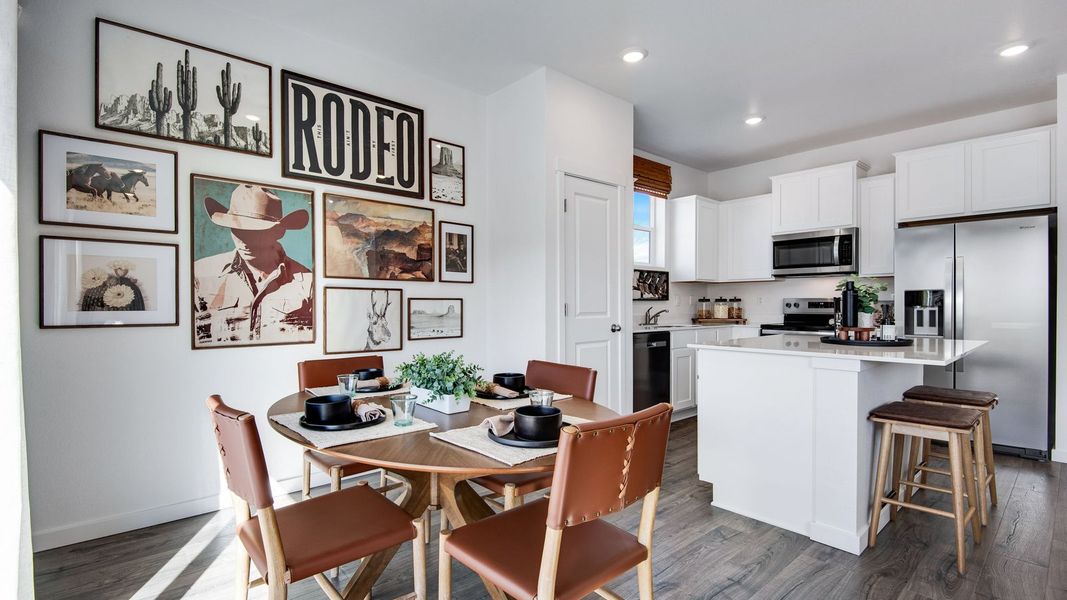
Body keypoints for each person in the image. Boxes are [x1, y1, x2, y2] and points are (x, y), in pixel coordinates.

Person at [193, 184, 312, 346]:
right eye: (236, 229)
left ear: (279, 232)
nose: (243, 239)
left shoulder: (306, 282)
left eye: (255, 231)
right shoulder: (200, 274)